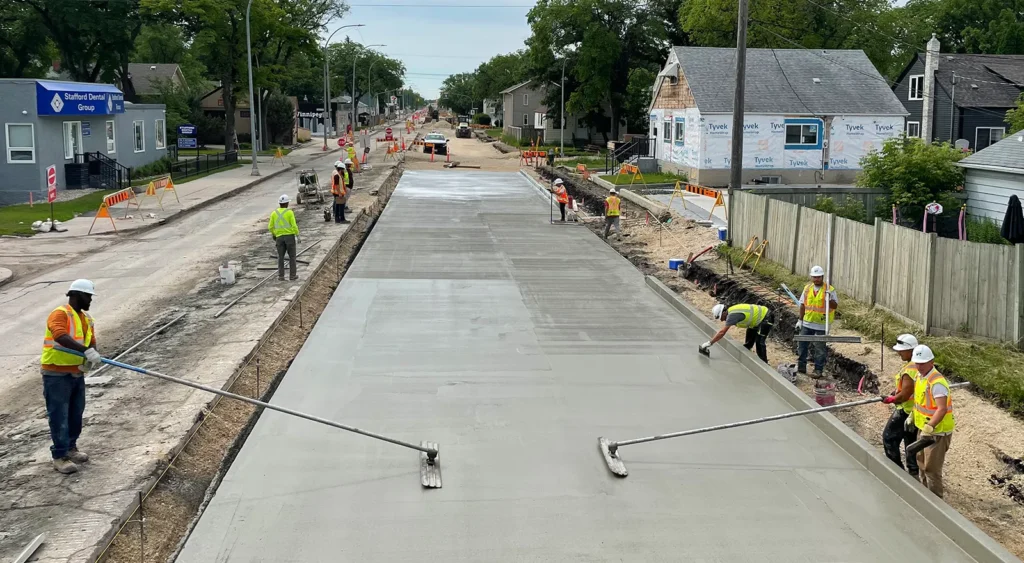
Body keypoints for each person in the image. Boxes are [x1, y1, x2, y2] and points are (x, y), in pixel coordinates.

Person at [41, 279, 102, 474]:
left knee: (76, 413)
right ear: (77, 295)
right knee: (59, 415)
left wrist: (91, 355)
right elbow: (60, 336)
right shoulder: (59, 314)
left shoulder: (86, 319)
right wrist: (85, 350)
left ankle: (71, 447)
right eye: (88, 296)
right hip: (56, 374)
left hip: (76, 373)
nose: (90, 300)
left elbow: (90, 342)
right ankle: (60, 456)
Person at [911, 344, 955, 497]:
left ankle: (936, 503)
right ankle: (924, 497)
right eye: (917, 363)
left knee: (932, 469)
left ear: (931, 362)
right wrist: (912, 416)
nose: (919, 366)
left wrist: (929, 427)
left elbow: (941, 409)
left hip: (937, 432)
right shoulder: (920, 377)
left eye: (922, 363)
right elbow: (919, 401)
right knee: (921, 464)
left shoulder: (937, 383)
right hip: (924, 429)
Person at [880, 334, 921, 476]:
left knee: (889, 438)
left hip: (906, 411)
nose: (899, 353)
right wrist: (896, 391)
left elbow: (905, 395)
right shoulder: (920, 365)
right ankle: (914, 471)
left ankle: (897, 473)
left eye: (901, 350)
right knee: (911, 441)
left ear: (911, 350)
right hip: (916, 412)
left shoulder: (910, 370)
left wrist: (891, 399)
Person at [796, 265, 838, 378]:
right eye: (814, 277)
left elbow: (835, 306)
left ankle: (818, 370)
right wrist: (800, 320)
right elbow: (802, 305)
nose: (816, 279)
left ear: (822, 277)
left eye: (818, 277)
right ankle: (801, 367)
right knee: (802, 345)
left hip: (821, 324)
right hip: (807, 322)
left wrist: (829, 299)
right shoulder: (807, 288)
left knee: (820, 348)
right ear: (811, 277)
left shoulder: (829, 290)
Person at [700, 303, 775, 363]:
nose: (722, 320)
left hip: (766, 317)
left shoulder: (731, 316)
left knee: (759, 341)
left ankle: (764, 363)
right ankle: (747, 351)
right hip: (757, 320)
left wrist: (710, 343)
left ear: (722, 313)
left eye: (720, 317)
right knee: (749, 337)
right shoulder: (731, 311)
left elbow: (722, 332)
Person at [269, 194, 300, 281]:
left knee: (280, 257)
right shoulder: (289, 212)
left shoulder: (274, 213)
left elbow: (270, 227)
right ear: (286, 204)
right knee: (292, 257)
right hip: (289, 237)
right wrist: (297, 234)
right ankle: (292, 276)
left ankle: (281, 276)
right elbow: (294, 225)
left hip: (279, 238)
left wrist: (275, 234)